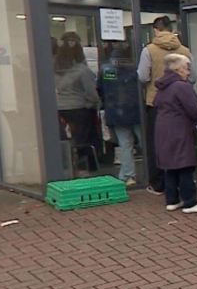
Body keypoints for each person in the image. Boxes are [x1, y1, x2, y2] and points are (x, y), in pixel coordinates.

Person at [152, 53, 197, 214]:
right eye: (186, 68)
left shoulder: (162, 86)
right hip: (180, 130)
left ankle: (172, 200)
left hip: (163, 129)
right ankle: (190, 202)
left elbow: (156, 104)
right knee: (185, 165)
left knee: (171, 166)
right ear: (178, 69)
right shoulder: (181, 86)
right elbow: (194, 111)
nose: (188, 72)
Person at [137, 16, 192, 194]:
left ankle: (158, 183)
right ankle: (181, 183)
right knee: (180, 142)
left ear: (155, 30)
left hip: (156, 101)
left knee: (156, 143)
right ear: (171, 28)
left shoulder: (149, 50)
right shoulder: (184, 50)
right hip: (181, 103)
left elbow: (142, 76)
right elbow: (193, 76)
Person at [54, 31, 101, 175]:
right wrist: (94, 102)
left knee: (64, 140)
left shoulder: (54, 69)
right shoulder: (82, 70)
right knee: (83, 140)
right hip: (79, 108)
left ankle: (66, 168)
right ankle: (83, 169)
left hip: (59, 109)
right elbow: (91, 93)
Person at [100, 42, 142, 186]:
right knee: (144, 142)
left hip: (116, 111)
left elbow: (100, 89)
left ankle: (128, 175)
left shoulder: (106, 71)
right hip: (136, 111)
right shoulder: (134, 71)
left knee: (125, 144)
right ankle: (153, 172)